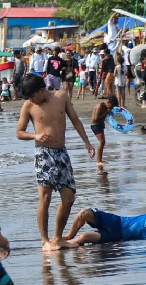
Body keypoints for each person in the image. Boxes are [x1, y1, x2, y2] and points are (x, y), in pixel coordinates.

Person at [17, 74, 95, 251]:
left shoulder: (61, 97)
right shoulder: (29, 106)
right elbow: (19, 132)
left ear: (42, 90)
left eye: (32, 96)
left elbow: (75, 120)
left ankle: (58, 238)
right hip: (43, 153)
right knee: (45, 197)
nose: (31, 100)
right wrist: (35, 135)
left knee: (69, 198)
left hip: (62, 153)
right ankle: (45, 241)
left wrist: (87, 142)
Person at [91, 95, 118, 168]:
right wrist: (107, 112)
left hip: (100, 125)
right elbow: (96, 118)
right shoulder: (100, 106)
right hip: (95, 125)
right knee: (101, 141)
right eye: (111, 106)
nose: (111, 108)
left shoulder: (106, 107)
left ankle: (100, 160)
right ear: (108, 102)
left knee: (103, 142)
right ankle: (98, 161)